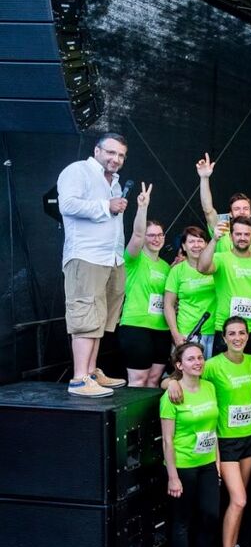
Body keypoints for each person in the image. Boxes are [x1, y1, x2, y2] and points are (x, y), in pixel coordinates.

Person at [163, 316, 251, 547]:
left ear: (248, 336)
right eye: (232, 333)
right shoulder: (213, 365)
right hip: (225, 442)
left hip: (248, 437)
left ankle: (233, 544)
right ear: (224, 338)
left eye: (242, 332)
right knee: (238, 499)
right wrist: (169, 383)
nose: (238, 337)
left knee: (236, 503)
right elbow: (178, 378)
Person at [57, 132, 130, 397]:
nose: (116, 159)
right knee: (86, 316)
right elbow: (67, 204)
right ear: (97, 150)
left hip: (110, 258)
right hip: (86, 257)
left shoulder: (114, 182)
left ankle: (90, 371)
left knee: (100, 318)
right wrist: (106, 205)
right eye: (111, 152)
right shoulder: (78, 171)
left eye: (121, 155)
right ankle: (78, 379)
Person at [159, 342, 220, 547]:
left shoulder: (209, 387)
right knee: (182, 520)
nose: (198, 362)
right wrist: (173, 477)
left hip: (206, 463)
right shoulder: (171, 395)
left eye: (200, 358)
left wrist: (216, 461)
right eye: (191, 359)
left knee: (210, 514)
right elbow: (167, 440)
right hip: (183, 466)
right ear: (179, 365)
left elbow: (213, 429)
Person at [197, 216, 251, 383]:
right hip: (225, 330)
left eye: (246, 234)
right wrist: (213, 239)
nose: (242, 238)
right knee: (222, 379)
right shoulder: (221, 258)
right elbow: (202, 267)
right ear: (231, 236)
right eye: (238, 234)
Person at [118, 182, 171, 387]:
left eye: (159, 235)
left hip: (161, 330)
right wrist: (142, 207)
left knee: (154, 380)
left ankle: (151, 421)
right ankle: (133, 421)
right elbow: (137, 235)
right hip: (136, 326)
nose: (156, 239)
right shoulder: (134, 259)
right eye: (152, 235)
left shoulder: (167, 267)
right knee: (138, 380)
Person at [196, 153, 251, 257]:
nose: (241, 211)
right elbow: (208, 210)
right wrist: (204, 178)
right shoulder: (220, 233)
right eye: (237, 209)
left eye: (245, 208)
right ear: (230, 214)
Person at [164, 227, 216, 356]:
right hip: (188, 332)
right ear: (184, 246)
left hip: (216, 330)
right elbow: (168, 305)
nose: (196, 245)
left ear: (206, 244)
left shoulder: (216, 266)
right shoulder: (177, 270)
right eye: (191, 242)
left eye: (200, 241)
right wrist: (175, 334)